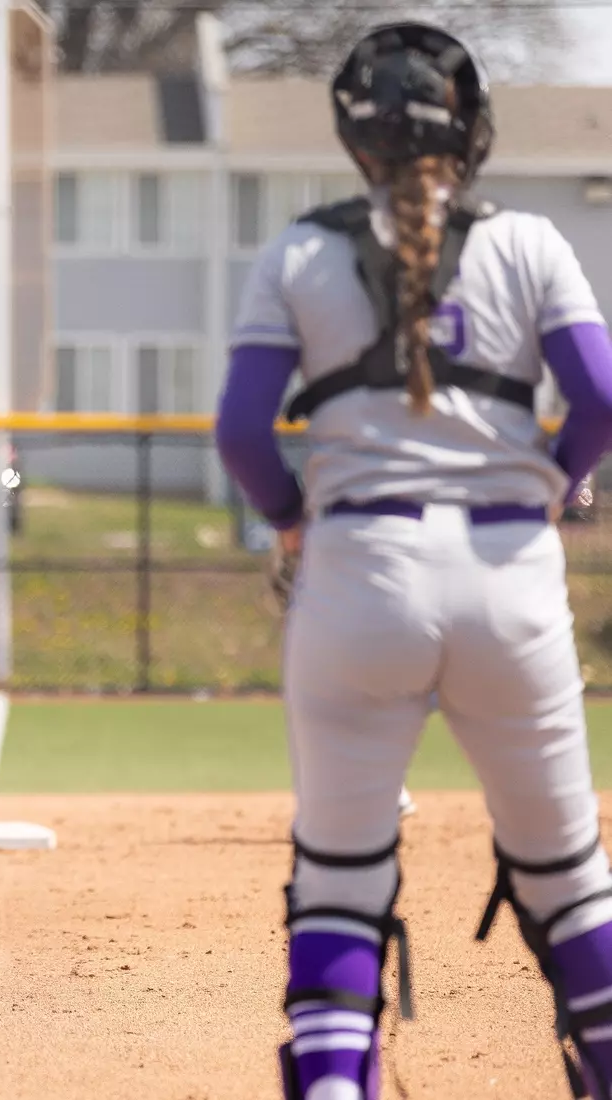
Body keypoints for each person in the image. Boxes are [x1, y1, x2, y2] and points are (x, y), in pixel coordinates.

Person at [215, 22, 612, 1100]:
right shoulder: (531, 243)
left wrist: (294, 518)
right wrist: (558, 480)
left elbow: (245, 433)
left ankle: (339, 1080)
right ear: (473, 130)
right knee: (571, 880)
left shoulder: (298, 250)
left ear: (355, 143)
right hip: (507, 572)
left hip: (361, 569)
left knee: (340, 878)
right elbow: (604, 398)